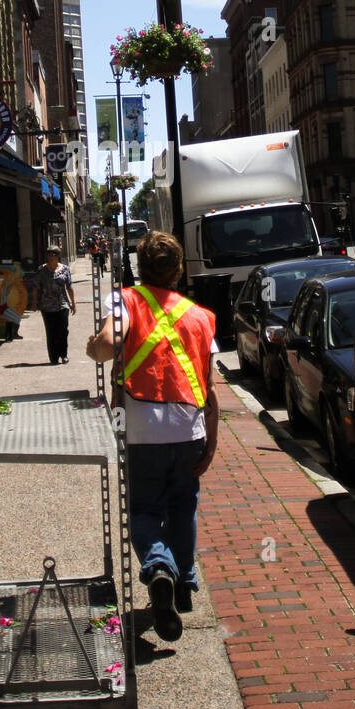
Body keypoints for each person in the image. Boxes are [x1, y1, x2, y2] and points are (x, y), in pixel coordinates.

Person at [86, 231, 219, 643]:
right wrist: (211, 441)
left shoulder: (126, 300)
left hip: (140, 428)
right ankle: (183, 584)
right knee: (183, 505)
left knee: (143, 511)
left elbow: (105, 346)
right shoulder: (200, 316)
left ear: (139, 266)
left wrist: (95, 346)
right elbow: (209, 387)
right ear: (179, 270)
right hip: (188, 429)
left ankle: (159, 568)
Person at [34, 247, 76, 364]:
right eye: (49, 254)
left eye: (54, 254)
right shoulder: (41, 270)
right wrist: (34, 303)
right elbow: (37, 288)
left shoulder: (65, 269)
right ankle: (53, 356)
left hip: (62, 305)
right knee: (51, 331)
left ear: (58, 256)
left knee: (63, 330)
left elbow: (69, 287)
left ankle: (64, 354)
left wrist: (73, 303)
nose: (51, 257)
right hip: (46, 306)